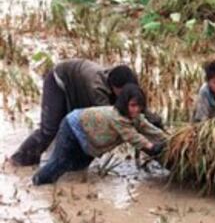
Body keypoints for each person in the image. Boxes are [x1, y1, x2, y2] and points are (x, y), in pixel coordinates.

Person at [11, 59, 162, 166]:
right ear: (114, 87)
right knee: (50, 129)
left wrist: (155, 122)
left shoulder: (123, 82)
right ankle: (20, 159)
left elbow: (137, 110)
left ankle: (65, 161)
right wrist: (149, 143)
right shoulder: (97, 87)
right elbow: (116, 120)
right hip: (59, 81)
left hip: (78, 87)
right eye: (123, 93)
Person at [32, 84, 167, 185]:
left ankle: (69, 189)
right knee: (59, 163)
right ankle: (37, 183)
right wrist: (152, 147)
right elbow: (133, 137)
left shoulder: (136, 117)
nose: (136, 109)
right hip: (72, 128)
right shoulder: (118, 118)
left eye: (139, 106)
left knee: (78, 167)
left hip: (89, 138)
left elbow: (149, 128)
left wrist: (168, 139)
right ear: (124, 104)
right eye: (132, 105)